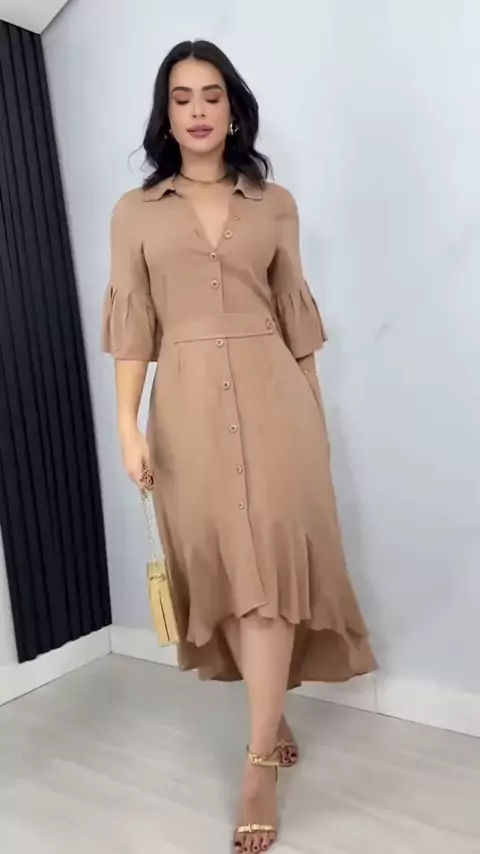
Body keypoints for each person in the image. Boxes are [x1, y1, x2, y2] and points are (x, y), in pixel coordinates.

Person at [103, 39, 377, 853]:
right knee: (226, 569)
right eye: (182, 97)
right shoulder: (135, 211)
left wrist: (314, 425)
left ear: (233, 109)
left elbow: (295, 320)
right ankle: (271, 713)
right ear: (165, 114)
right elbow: (133, 329)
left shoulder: (274, 203)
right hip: (186, 411)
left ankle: (259, 764)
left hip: (275, 403)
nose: (197, 110)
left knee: (274, 575)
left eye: (212, 95)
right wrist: (126, 424)